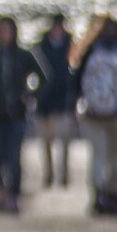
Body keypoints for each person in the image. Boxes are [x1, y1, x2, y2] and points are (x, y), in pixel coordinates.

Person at [0, 17, 46, 213]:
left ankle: (13, 196)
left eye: (9, 30)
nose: (5, 35)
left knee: (13, 158)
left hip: (16, 117)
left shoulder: (23, 56)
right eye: (2, 31)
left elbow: (44, 77)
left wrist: (30, 95)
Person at [71, 16, 117, 217]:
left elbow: (75, 82)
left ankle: (99, 194)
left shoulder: (90, 52)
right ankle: (113, 195)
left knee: (98, 156)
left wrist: (76, 106)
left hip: (93, 115)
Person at [33, 12, 75, 188]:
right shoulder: (41, 47)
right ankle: (49, 173)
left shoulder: (71, 46)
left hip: (64, 102)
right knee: (46, 142)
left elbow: (75, 74)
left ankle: (63, 174)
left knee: (64, 141)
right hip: (44, 103)